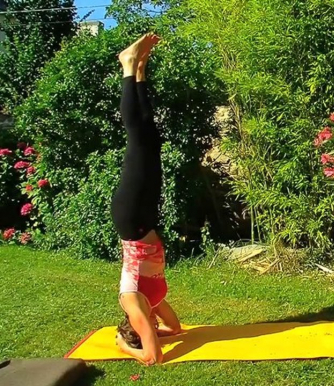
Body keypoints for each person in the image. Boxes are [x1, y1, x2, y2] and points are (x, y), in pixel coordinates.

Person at [111, 33, 182, 366]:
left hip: (131, 217)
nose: (154, 325)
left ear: (137, 328)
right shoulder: (153, 304)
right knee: (150, 138)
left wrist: (124, 345)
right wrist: (159, 329)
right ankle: (139, 70)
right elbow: (176, 328)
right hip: (145, 220)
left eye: (146, 328)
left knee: (138, 141)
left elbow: (153, 358)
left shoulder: (132, 302)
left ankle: (127, 64)